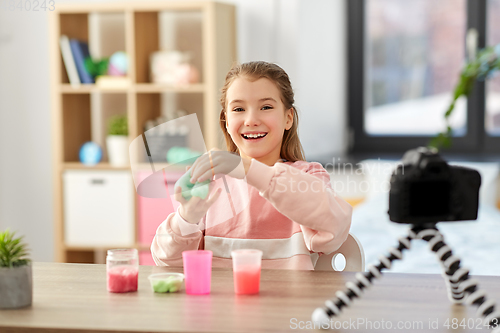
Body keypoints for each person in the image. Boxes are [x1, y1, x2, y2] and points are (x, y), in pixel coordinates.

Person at [151, 61, 352, 270]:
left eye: (266, 107)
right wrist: (186, 218)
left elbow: (334, 230)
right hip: (222, 303)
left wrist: (247, 169)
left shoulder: (308, 175)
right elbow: (167, 261)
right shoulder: (210, 181)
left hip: (290, 302)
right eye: (238, 109)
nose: (251, 119)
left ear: (288, 118)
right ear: (226, 121)